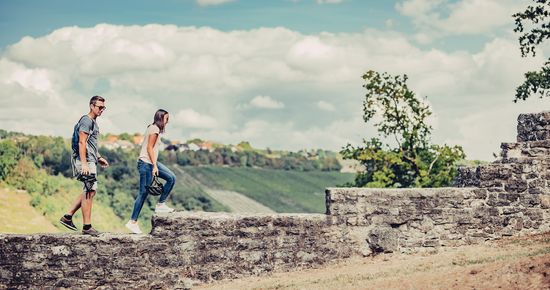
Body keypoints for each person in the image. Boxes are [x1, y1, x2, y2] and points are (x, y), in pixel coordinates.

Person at [60, 96, 110, 236]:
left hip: (90, 159)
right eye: (99, 107)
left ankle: (67, 216)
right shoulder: (86, 121)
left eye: (103, 108)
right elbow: (82, 143)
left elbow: (90, 144)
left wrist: (98, 157)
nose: (101, 110)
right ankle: (87, 226)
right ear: (91, 106)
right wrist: (84, 164)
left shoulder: (92, 122)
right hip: (85, 161)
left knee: (89, 190)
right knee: (89, 190)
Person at [126, 109, 176, 234]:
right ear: (160, 119)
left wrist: (154, 164)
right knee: (143, 193)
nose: (167, 122)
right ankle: (132, 222)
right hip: (146, 164)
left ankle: (160, 205)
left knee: (171, 177)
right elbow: (149, 147)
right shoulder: (154, 129)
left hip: (150, 162)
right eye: (166, 119)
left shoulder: (153, 128)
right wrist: (154, 166)